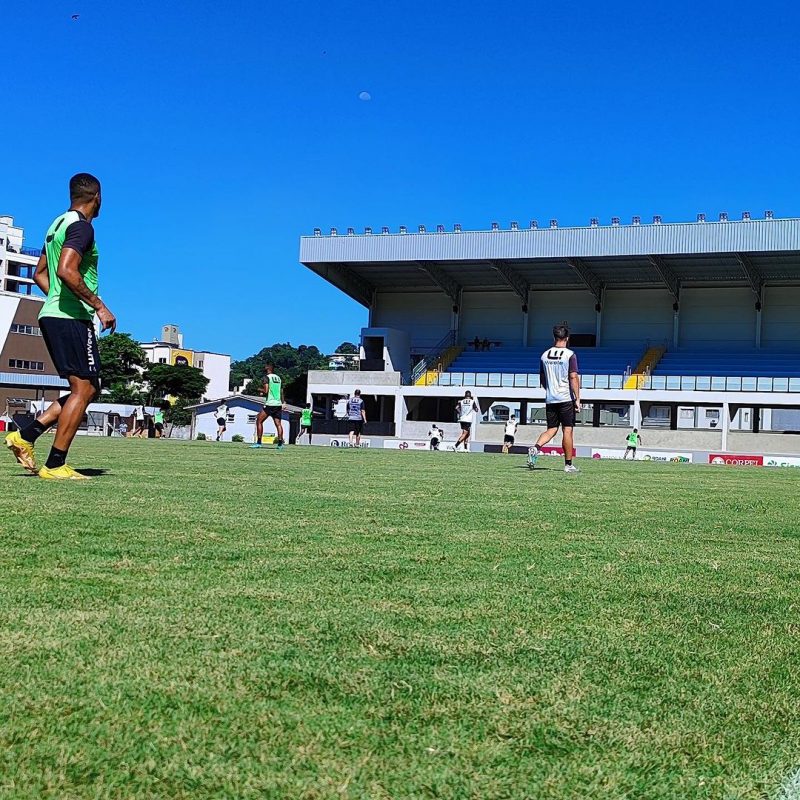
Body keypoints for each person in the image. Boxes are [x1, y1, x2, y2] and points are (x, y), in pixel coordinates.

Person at [5, 173, 115, 479]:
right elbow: (66, 269)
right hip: (71, 318)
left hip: (54, 313)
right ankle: (55, 465)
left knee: (88, 389)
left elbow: (40, 273)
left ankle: (26, 435)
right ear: (97, 197)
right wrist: (98, 305)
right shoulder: (82, 227)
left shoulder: (56, 225)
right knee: (84, 388)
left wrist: (56, 297)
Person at [528, 324, 581, 474]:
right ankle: (568, 464)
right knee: (567, 430)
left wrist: (549, 390)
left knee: (551, 429)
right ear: (567, 338)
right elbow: (573, 376)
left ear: (554, 338)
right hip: (565, 398)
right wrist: (577, 398)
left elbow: (542, 378)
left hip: (550, 398)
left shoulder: (544, 355)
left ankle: (535, 448)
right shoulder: (570, 355)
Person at [251, 363, 284, 449]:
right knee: (278, 424)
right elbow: (281, 391)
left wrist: (259, 389)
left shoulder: (266, 378)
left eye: (265, 367)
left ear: (269, 368)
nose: (264, 368)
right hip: (278, 403)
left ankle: (258, 443)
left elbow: (266, 390)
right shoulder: (278, 378)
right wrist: (283, 402)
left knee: (259, 421)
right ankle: (280, 444)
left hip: (270, 403)